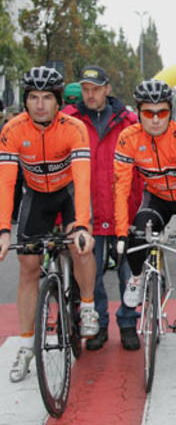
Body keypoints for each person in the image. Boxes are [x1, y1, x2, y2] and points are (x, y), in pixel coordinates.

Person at [0, 66, 98, 382]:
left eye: (46, 98)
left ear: (57, 102)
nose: (39, 104)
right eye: (32, 97)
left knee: (78, 245)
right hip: (36, 197)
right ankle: (27, 348)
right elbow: (5, 183)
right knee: (27, 265)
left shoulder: (74, 128)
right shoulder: (13, 130)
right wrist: (3, 229)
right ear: (25, 101)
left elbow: (83, 181)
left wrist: (82, 225)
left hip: (68, 194)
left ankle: (86, 305)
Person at [114, 79, 176, 363]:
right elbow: (121, 188)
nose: (155, 120)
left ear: (171, 111)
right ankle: (138, 279)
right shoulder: (129, 138)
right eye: (148, 113)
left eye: (162, 113)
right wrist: (120, 233)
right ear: (138, 112)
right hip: (155, 197)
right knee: (137, 233)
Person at [63, 65, 143, 351]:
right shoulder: (69, 120)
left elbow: (140, 168)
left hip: (123, 211)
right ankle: (96, 322)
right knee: (90, 274)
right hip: (88, 212)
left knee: (129, 274)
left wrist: (139, 207)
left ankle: (128, 323)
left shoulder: (129, 121)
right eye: (85, 89)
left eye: (96, 89)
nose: (90, 94)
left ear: (108, 89)